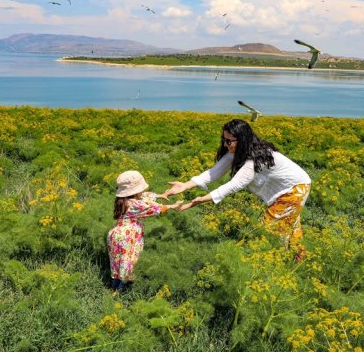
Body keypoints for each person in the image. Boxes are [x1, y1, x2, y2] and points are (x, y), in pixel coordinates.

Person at [164, 119, 312, 261]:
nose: (225, 144)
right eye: (224, 139)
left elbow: (234, 185)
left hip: (295, 189)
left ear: (242, 140)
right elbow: (213, 172)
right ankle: (298, 261)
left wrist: (202, 199)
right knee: (290, 227)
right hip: (293, 187)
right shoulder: (237, 152)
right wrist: (185, 185)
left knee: (269, 230)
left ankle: (274, 265)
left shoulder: (252, 159)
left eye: (229, 141)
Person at [108, 170, 182, 291]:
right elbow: (155, 208)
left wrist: (160, 195)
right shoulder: (136, 204)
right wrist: (173, 206)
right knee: (128, 264)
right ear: (136, 191)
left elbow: (145, 196)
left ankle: (112, 287)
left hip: (115, 235)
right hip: (128, 237)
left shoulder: (122, 200)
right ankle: (120, 291)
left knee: (118, 262)